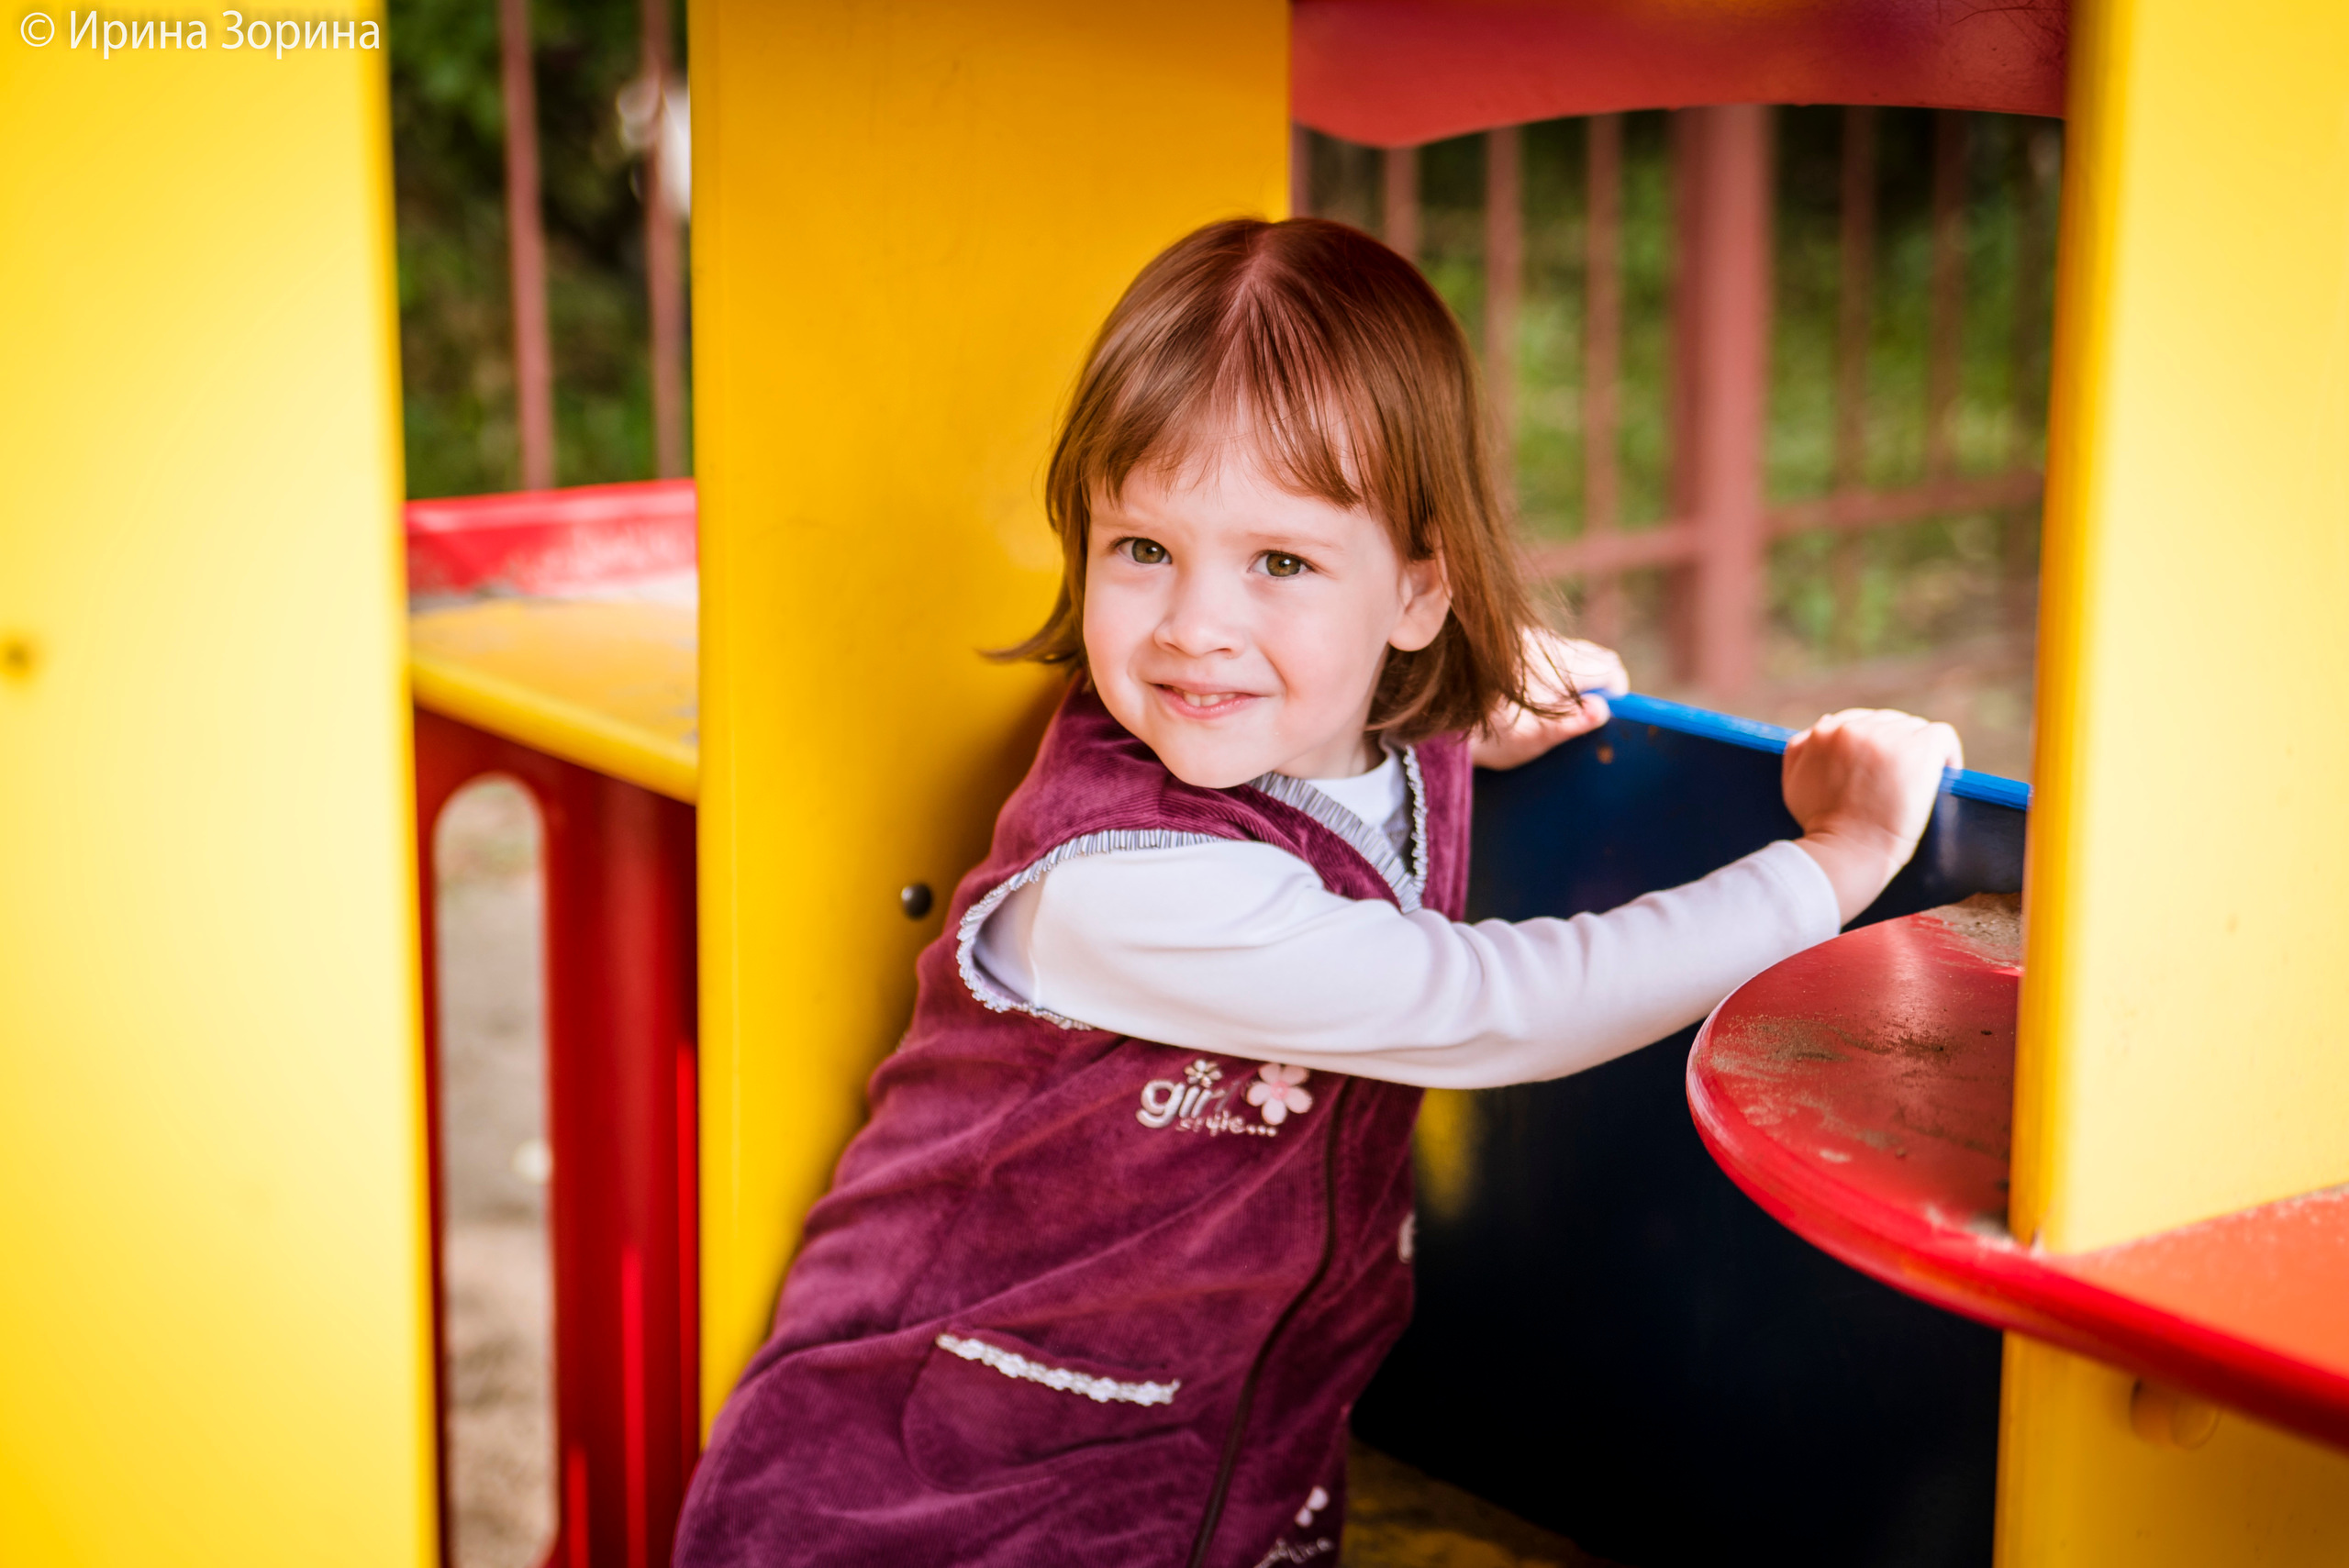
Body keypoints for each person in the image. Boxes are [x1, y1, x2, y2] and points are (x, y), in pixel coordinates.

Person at [673, 217, 1962, 1568]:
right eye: (1142, 548)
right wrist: (1834, 865)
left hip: (1207, 1460)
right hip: (935, 1490)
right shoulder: (1129, 885)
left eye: (1279, 563)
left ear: (1416, 589)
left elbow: (1392, 744)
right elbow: (1506, 1004)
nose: (1194, 625)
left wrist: (1486, 700)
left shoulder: (1358, 728)